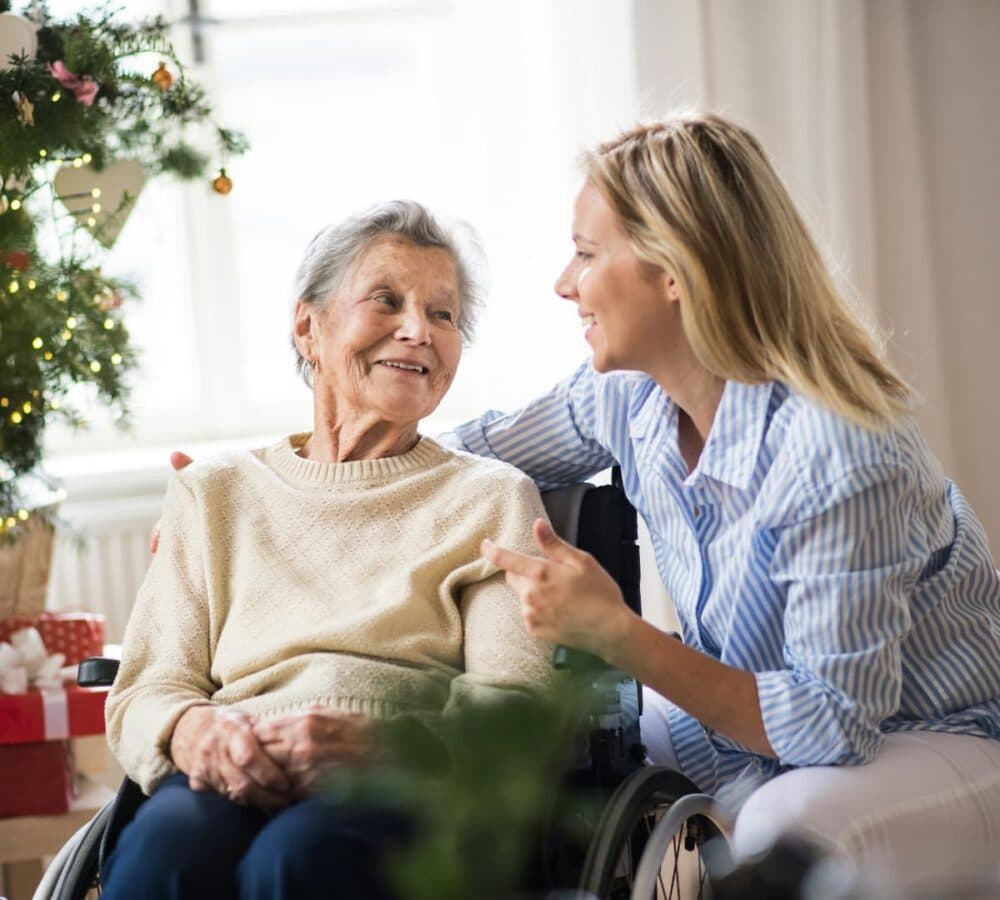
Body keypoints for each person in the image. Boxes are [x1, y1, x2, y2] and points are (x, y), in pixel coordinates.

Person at [469, 115, 1000, 876]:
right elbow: (473, 453)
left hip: (942, 739)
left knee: (785, 828)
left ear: (674, 271)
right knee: (551, 760)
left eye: (586, 254)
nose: (564, 284)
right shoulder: (627, 396)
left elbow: (833, 724)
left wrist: (615, 633)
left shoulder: (839, 448)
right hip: (765, 734)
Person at [103, 200, 553, 900]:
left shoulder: (493, 499)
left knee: (299, 859)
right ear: (308, 327)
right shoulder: (213, 492)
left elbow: (515, 709)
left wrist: (383, 747)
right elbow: (147, 689)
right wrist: (194, 733)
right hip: (229, 770)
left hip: (406, 789)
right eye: (387, 300)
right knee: (169, 852)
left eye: (444, 315)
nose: (419, 331)